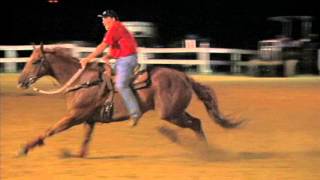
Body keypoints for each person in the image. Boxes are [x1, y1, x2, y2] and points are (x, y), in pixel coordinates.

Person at [80, 10, 141, 127]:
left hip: (127, 59)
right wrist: (107, 56)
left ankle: (135, 112)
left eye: (105, 18)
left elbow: (102, 46)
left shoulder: (115, 28)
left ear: (112, 19)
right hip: (123, 59)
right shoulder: (117, 29)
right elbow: (116, 49)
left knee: (121, 85)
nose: (103, 22)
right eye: (102, 19)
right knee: (104, 79)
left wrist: (87, 58)